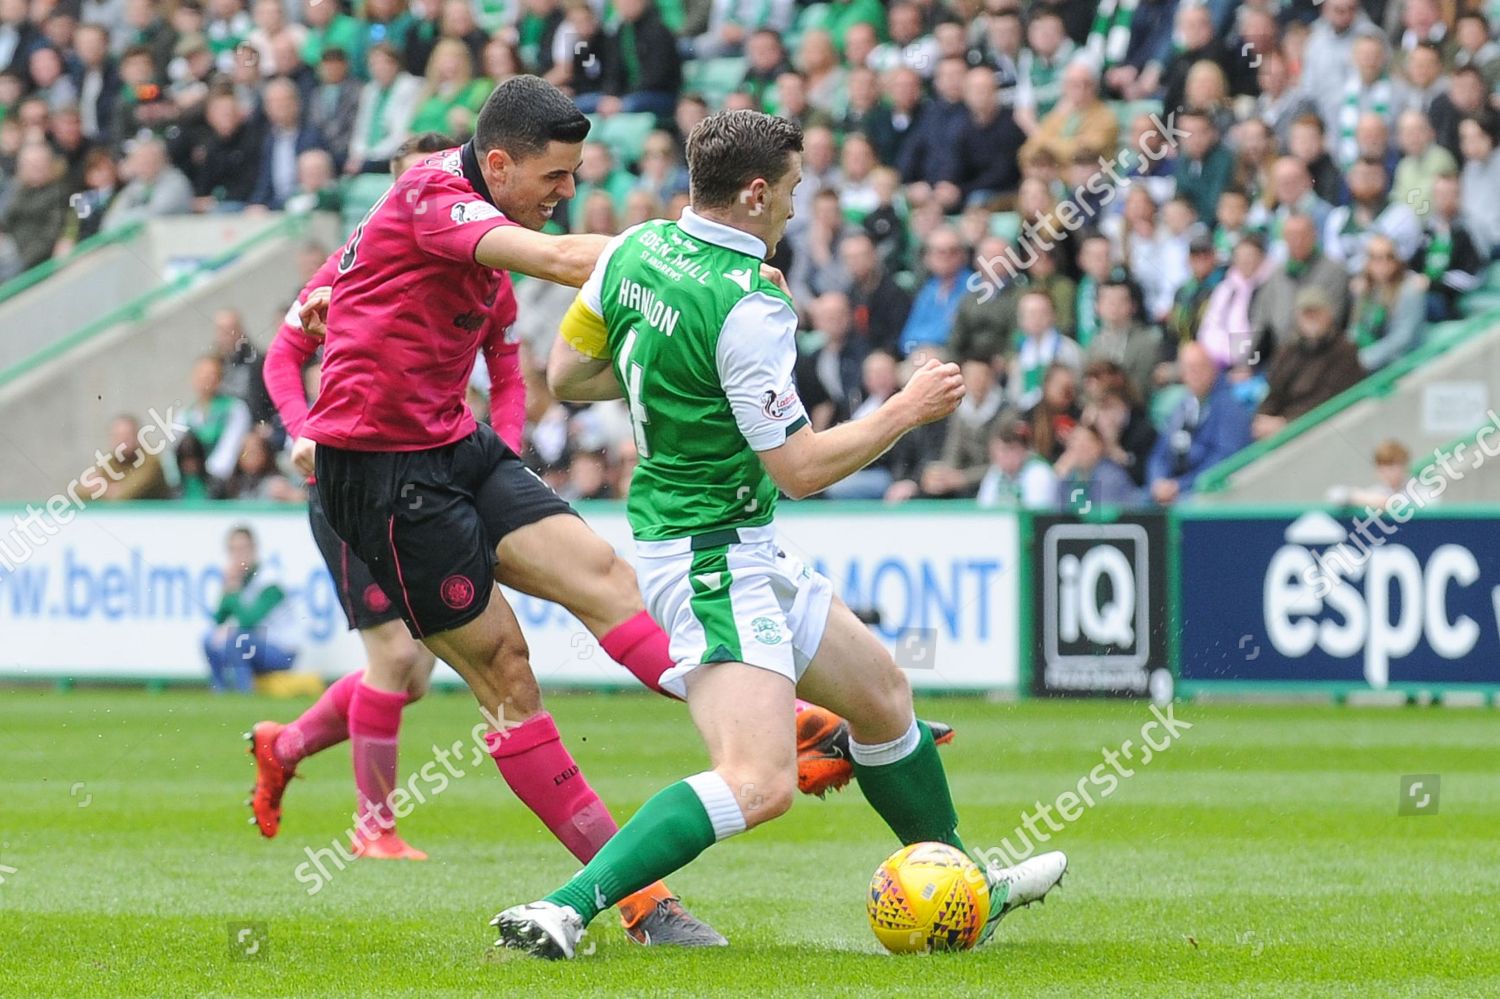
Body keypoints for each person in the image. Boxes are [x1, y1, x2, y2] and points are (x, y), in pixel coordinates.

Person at [528, 107, 1066, 960]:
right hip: (712, 552)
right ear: (752, 192)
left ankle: (970, 884)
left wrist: (676, 388)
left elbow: (565, 375)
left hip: (732, 538)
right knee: (761, 780)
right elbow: (801, 468)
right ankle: (564, 906)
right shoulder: (748, 305)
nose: (793, 203)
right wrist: (903, 410)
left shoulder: (632, 248)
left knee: (884, 696)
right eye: (789, 189)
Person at [1145, 342, 1252, 505]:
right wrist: (1158, 481)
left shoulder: (1229, 408)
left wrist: (1179, 485)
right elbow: (1160, 453)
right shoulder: (1183, 405)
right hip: (1172, 487)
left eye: (1199, 367)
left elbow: (1225, 460)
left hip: (1207, 491)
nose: (1193, 374)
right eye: (1187, 369)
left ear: (1213, 368)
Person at [1254, 287, 1366, 441]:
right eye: (1306, 314)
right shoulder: (1288, 351)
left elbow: (1327, 399)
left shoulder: (1345, 351)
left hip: (1318, 432)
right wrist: (1262, 419)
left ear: (1329, 314)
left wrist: (1286, 423)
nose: (1311, 318)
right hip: (1278, 429)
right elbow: (1274, 392)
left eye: (1316, 312)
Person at [204, 525, 299, 692]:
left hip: (281, 649)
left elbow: (250, 620)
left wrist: (233, 591)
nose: (238, 555)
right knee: (208, 639)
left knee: (236, 638)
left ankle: (245, 691)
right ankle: (219, 690)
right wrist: (227, 590)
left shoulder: (270, 580)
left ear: (254, 549)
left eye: (243, 549)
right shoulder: (240, 578)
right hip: (253, 644)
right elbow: (218, 620)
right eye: (233, 550)